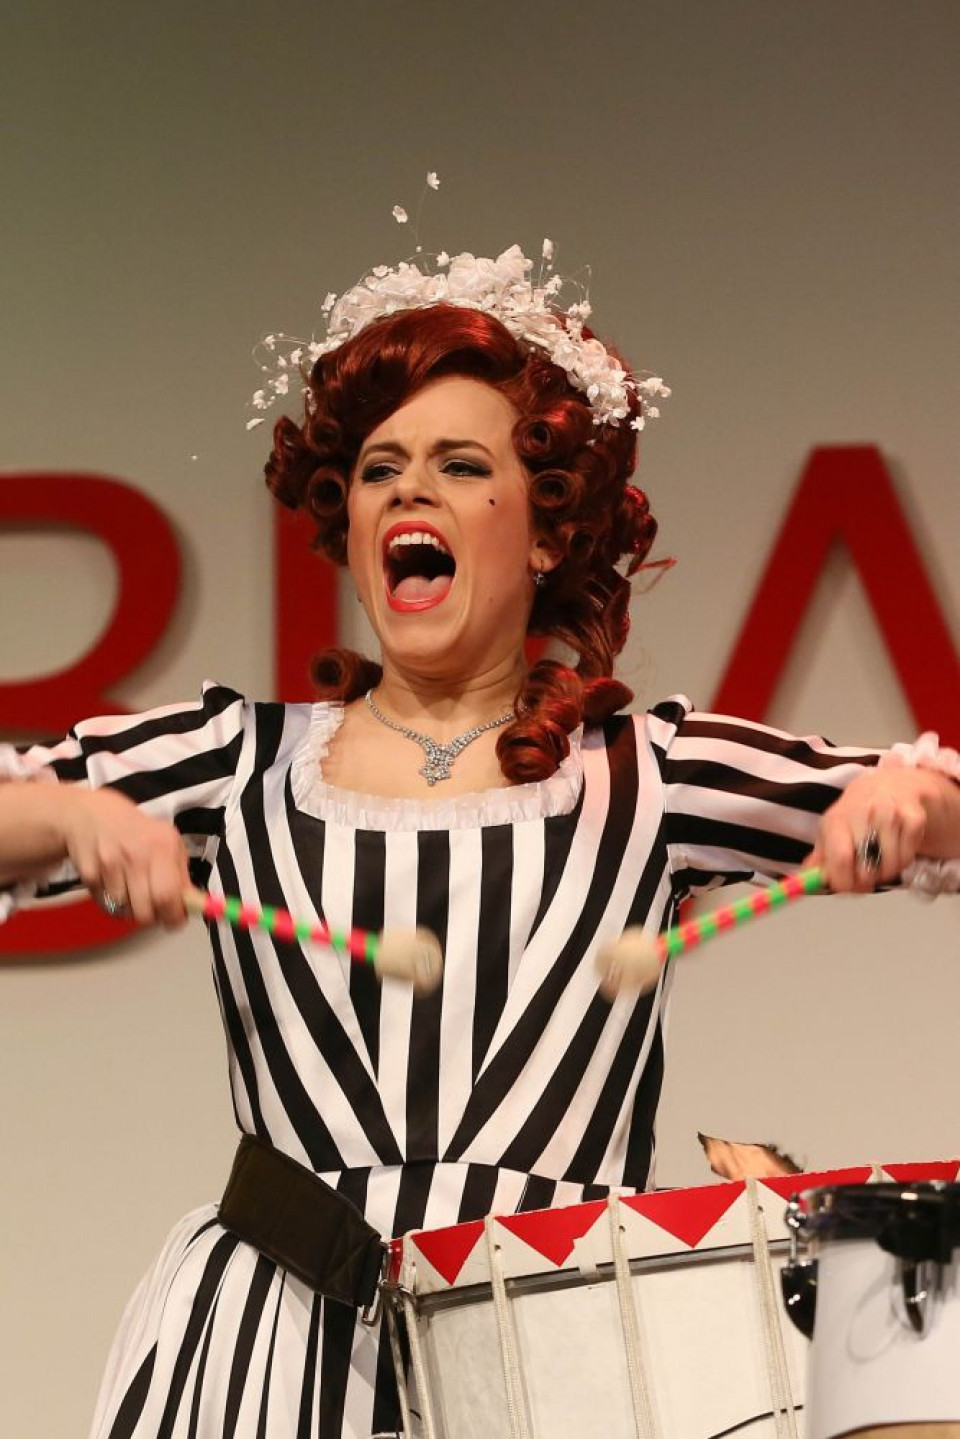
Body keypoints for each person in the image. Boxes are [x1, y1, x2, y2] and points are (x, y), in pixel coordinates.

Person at [1, 242, 958, 1439]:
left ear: (546, 530)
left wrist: (913, 803)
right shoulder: (241, 758)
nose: (411, 493)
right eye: (379, 469)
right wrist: (67, 813)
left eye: (461, 465)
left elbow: (937, 809)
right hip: (266, 1350)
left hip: (555, 1360)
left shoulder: (645, 773)